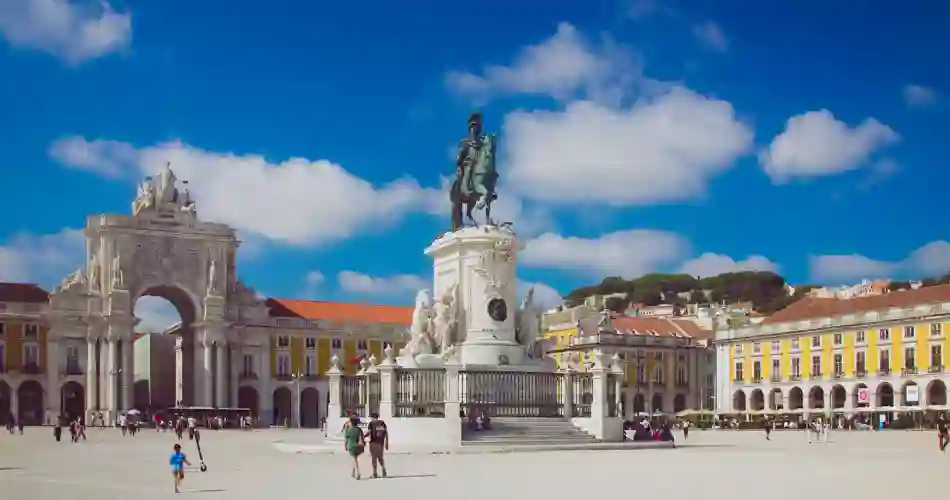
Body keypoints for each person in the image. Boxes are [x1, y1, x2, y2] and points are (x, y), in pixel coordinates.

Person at [365, 412, 389, 478]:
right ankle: (383, 468)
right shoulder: (382, 423)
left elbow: (369, 432)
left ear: (373, 417)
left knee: (374, 458)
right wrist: (387, 442)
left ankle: (375, 473)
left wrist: (363, 436)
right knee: (380, 457)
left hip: (373, 442)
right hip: (381, 442)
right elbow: (386, 432)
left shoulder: (371, 423)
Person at [344, 416, 364, 480]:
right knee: (354, 459)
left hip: (351, 446)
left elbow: (346, 440)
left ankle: (358, 473)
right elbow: (361, 437)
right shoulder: (358, 429)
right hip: (358, 446)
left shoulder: (348, 430)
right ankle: (353, 473)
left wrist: (345, 446)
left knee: (354, 459)